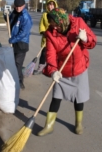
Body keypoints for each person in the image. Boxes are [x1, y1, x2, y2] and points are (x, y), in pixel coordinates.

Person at [38, 8, 97, 136]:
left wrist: (85, 38)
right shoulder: (50, 33)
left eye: (56, 26)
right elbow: (50, 55)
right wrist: (53, 71)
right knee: (56, 97)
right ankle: (49, 125)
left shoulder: (79, 23)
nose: (55, 29)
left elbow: (93, 42)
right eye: (52, 26)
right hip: (62, 70)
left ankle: (78, 124)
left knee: (78, 97)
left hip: (79, 68)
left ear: (62, 21)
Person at [6, 0, 33, 90]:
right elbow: (9, 22)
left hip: (22, 43)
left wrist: (12, 40)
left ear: (24, 6)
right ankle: (14, 79)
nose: (18, 8)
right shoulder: (14, 13)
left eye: (20, 6)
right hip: (14, 42)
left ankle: (19, 82)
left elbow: (23, 33)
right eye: (16, 6)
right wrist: (5, 15)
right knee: (13, 63)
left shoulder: (25, 17)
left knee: (18, 63)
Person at [33, 0, 58, 75]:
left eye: (52, 5)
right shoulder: (44, 15)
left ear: (55, 5)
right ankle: (41, 68)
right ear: (47, 6)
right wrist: (44, 32)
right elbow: (42, 25)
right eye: (49, 5)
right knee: (44, 53)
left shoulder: (57, 14)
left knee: (54, 53)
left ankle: (53, 68)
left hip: (55, 37)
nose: (51, 6)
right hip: (46, 37)